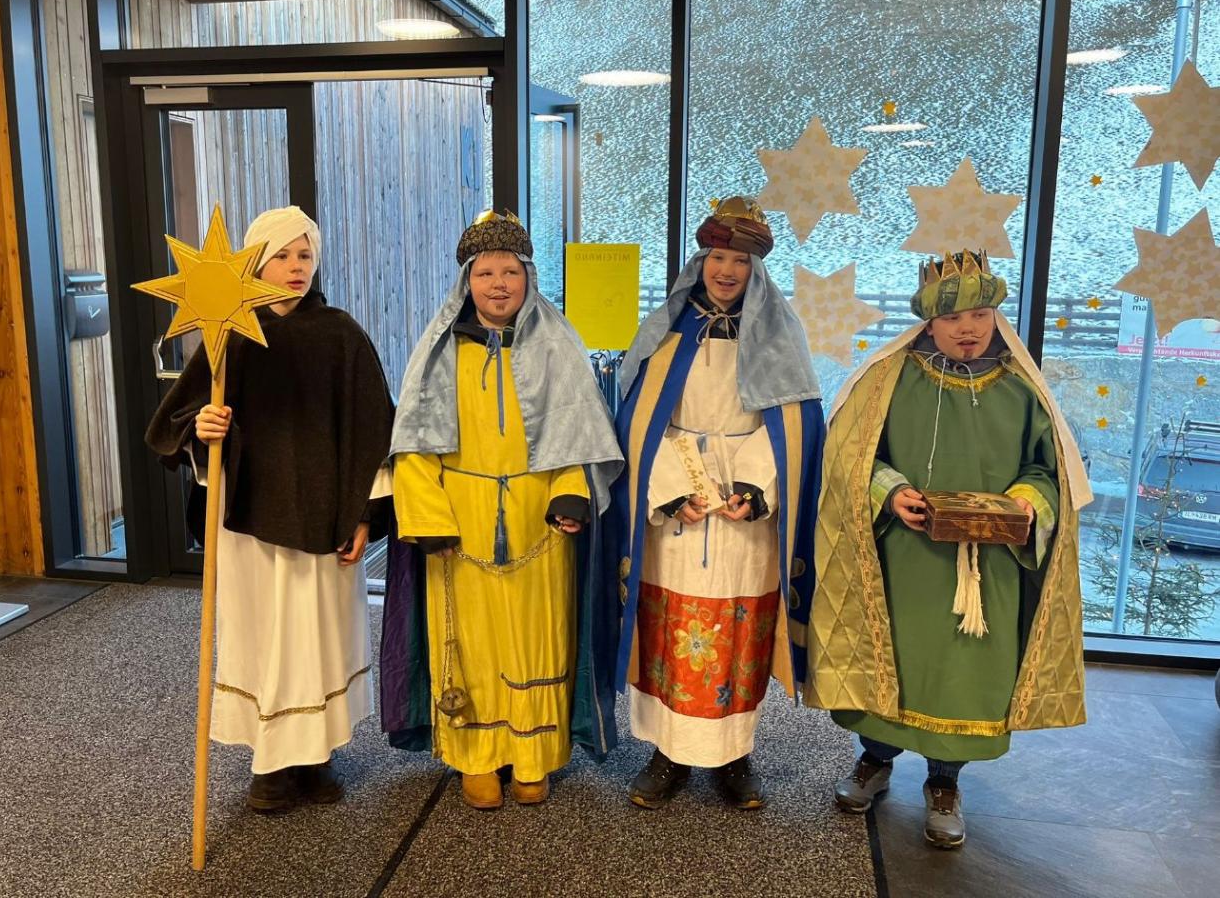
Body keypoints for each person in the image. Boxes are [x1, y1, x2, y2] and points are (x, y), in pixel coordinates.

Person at [805, 249, 1090, 849]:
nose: (968, 328)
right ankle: (874, 760)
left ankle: (944, 782)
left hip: (990, 566)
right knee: (894, 663)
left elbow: (1049, 471)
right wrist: (890, 492)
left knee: (963, 675)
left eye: (981, 315)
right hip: (905, 560)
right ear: (929, 321)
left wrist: (1023, 503)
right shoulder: (888, 379)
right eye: (954, 317)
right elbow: (850, 456)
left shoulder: (1021, 389)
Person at [146, 206, 394, 812]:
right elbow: (177, 420)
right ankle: (271, 764)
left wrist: (365, 514)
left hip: (324, 515)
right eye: (281, 255)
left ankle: (314, 755)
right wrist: (203, 428)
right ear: (255, 263)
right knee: (263, 632)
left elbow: (373, 431)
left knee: (316, 633)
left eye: (304, 255)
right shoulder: (230, 334)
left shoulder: (340, 334)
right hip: (252, 513)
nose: (295, 267)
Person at [382, 209, 623, 809]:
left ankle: (533, 755)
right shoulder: (438, 354)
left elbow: (578, 436)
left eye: (510, 272)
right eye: (485, 272)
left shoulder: (559, 348)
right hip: (458, 521)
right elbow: (413, 445)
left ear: (528, 278)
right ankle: (477, 756)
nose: (498, 285)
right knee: (469, 642)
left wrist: (572, 491)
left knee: (537, 637)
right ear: (467, 281)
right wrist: (427, 516)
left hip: (538, 519)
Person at [610, 196, 825, 810]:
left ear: (757, 270)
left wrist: (755, 487)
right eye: (717, 258)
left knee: (738, 629)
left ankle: (734, 754)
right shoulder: (667, 332)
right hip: (677, 504)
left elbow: (796, 425)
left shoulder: (779, 336)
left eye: (741, 261)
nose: (727, 271)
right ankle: (667, 752)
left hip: (743, 513)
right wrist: (671, 489)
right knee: (668, 625)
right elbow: (637, 421)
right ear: (700, 262)